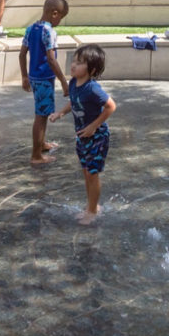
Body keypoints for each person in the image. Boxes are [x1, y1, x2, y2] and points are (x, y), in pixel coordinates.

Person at [67, 44, 116, 224]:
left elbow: (111, 106)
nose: (73, 65)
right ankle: (91, 206)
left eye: (79, 63)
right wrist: (60, 113)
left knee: (92, 173)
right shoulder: (73, 83)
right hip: (82, 136)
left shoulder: (92, 88)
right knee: (86, 172)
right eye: (74, 60)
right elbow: (74, 102)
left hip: (97, 136)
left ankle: (93, 211)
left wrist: (94, 126)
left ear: (91, 69)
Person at [20, 0, 70, 165]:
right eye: (61, 18)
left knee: (42, 112)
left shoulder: (31, 28)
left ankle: (41, 144)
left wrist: (24, 77)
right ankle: (36, 155)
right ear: (54, 13)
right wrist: (63, 81)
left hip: (34, 77)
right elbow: (51, 59)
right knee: (41, 117)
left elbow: (22, 54)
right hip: (44, 78)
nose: (59, 22)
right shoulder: (49, 31)